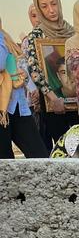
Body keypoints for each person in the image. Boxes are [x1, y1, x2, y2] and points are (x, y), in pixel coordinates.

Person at [24, 0, 79, 149]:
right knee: (63, 148)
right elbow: (35, 71)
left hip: (78, 101)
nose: (51, 10)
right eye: (44, 6)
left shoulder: (72, 32)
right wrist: (54, 99)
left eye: (54, 4)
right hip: (53, 104)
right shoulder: (36, 35)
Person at [0, 23, 48, 158]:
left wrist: (24, 78)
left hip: (18, 106)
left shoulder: (6, 38)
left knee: (40, 157)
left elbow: (20, 65)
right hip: (2, 110)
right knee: (5, 163)